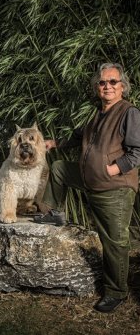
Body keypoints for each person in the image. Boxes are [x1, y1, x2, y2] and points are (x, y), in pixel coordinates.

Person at [37, 62, 140, 313]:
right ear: (97, 87)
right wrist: (54, 143)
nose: (107, 86)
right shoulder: (97, 114)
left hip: (113, 188)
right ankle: (55, 214)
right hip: (90, 179)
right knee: (60, 168)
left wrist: (116, 167)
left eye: (112, 82)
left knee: (115, 242)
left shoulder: (129, 112)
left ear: (122, 87)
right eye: (102, 82)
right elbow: (77, 137)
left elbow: (138, 150)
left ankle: (116, 292)